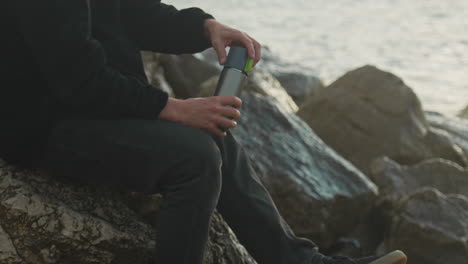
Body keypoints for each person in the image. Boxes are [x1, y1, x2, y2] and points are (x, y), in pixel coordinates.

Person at [1, 1, 407, 264]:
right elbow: (78, 78)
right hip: (40, 123)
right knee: (193, 160)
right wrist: (172, 108)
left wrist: (205, 28)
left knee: (215, 140)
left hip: (82, 105)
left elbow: (133, 13)